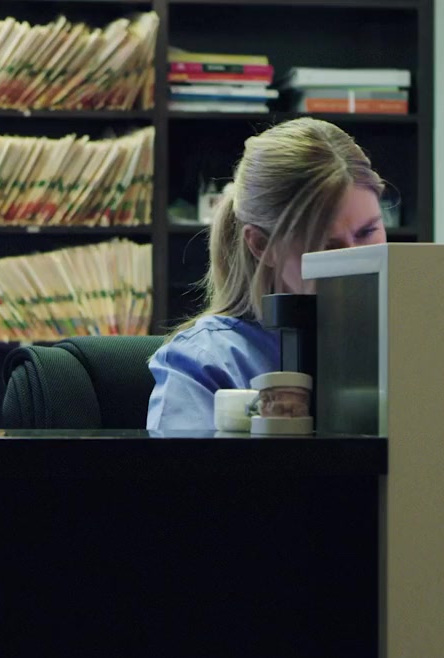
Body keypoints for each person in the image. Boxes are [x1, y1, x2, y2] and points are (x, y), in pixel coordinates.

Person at [146, 117, 388, 430]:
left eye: (368, 232)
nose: (356, 259)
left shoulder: (405, 338)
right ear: (262, 245)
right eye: (327, 246)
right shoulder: (205, 363)